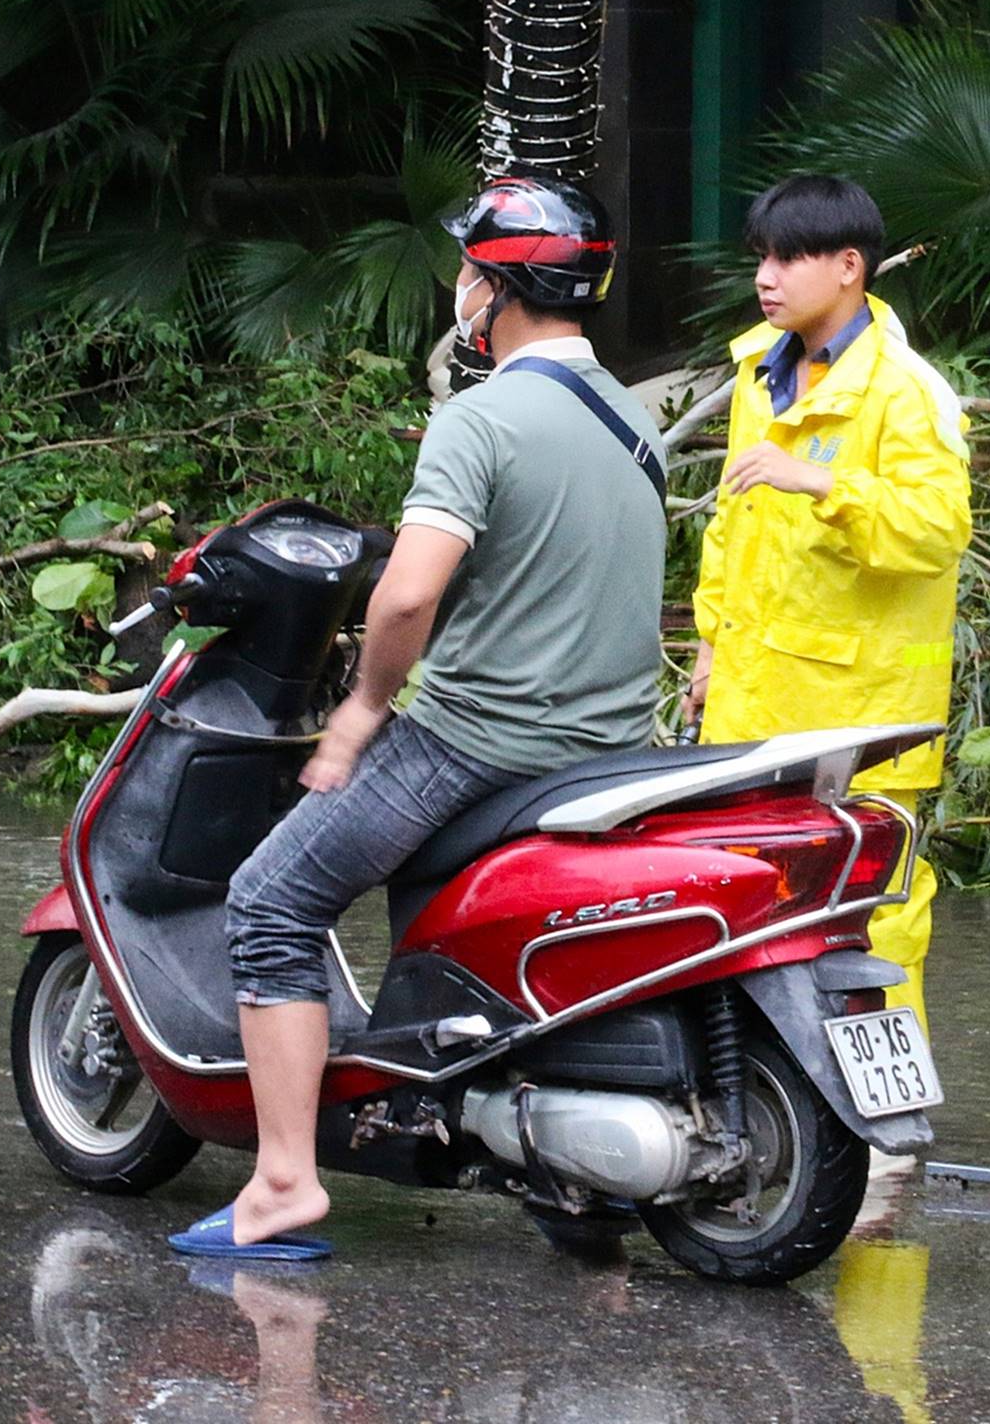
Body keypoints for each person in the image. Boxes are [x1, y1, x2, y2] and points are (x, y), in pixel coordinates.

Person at [210, 175, 666, 1250]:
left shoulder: (483, 416)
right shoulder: (636, 420)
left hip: (473, 744)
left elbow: (408, 592)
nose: (456, 287)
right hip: (606, 751)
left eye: (467, 268)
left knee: (269, 899)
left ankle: (282, 1178)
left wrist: (361, 709)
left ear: (496, 287)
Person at [688, 174, 970, 1050]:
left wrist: (824, 481)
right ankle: (772, 1096)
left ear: (850, 267)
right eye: (760, 258)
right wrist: (707, 649)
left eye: (788, 258)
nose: (765, 277)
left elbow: (936, 532)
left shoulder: (906, 391)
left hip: (864, 717)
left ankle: (884, 1126)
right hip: (753, 701)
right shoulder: (758, 371)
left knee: (871, 918)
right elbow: (736, 530)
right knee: (743, 897)